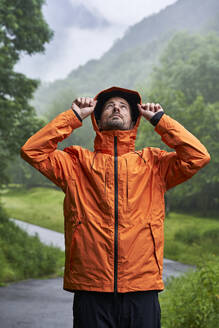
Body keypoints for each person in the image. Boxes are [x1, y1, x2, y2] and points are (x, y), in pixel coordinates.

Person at [20, 86, 210, 327]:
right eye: (110, 106)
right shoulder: (77, 163)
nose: (117, 108)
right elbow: (32, 151)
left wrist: (162, 121)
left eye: (123, 106)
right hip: (91, 288)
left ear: (134, 119)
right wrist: (74, 116)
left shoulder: (154, 163)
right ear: (98, 119)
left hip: (142, 288)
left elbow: (198, 157)